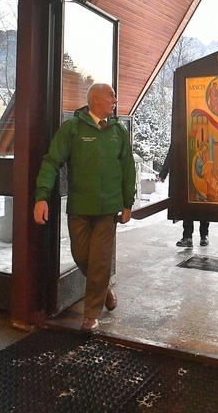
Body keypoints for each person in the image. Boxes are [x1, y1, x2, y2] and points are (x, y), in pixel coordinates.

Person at [33, 83, 136, 333]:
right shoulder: (72, 128)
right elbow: (51, 161)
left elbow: (128, 168)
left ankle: (91, 315)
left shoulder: (118, 131)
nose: (115, 99)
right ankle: (104, 287)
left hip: (108, 208)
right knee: (81, 255)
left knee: (100, 259)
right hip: (80, 206)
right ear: (96, 99)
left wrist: (127, 204)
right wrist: (42, 196)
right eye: (111, 96)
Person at [158, 147, 210, 247]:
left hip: (201, 179)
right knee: (187, 207)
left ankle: (204, 235)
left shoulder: (205, 151)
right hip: (186, 177)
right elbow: (172, 154)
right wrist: (164, 172)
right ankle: (187, 236)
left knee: (203, 205)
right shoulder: (180, 136)